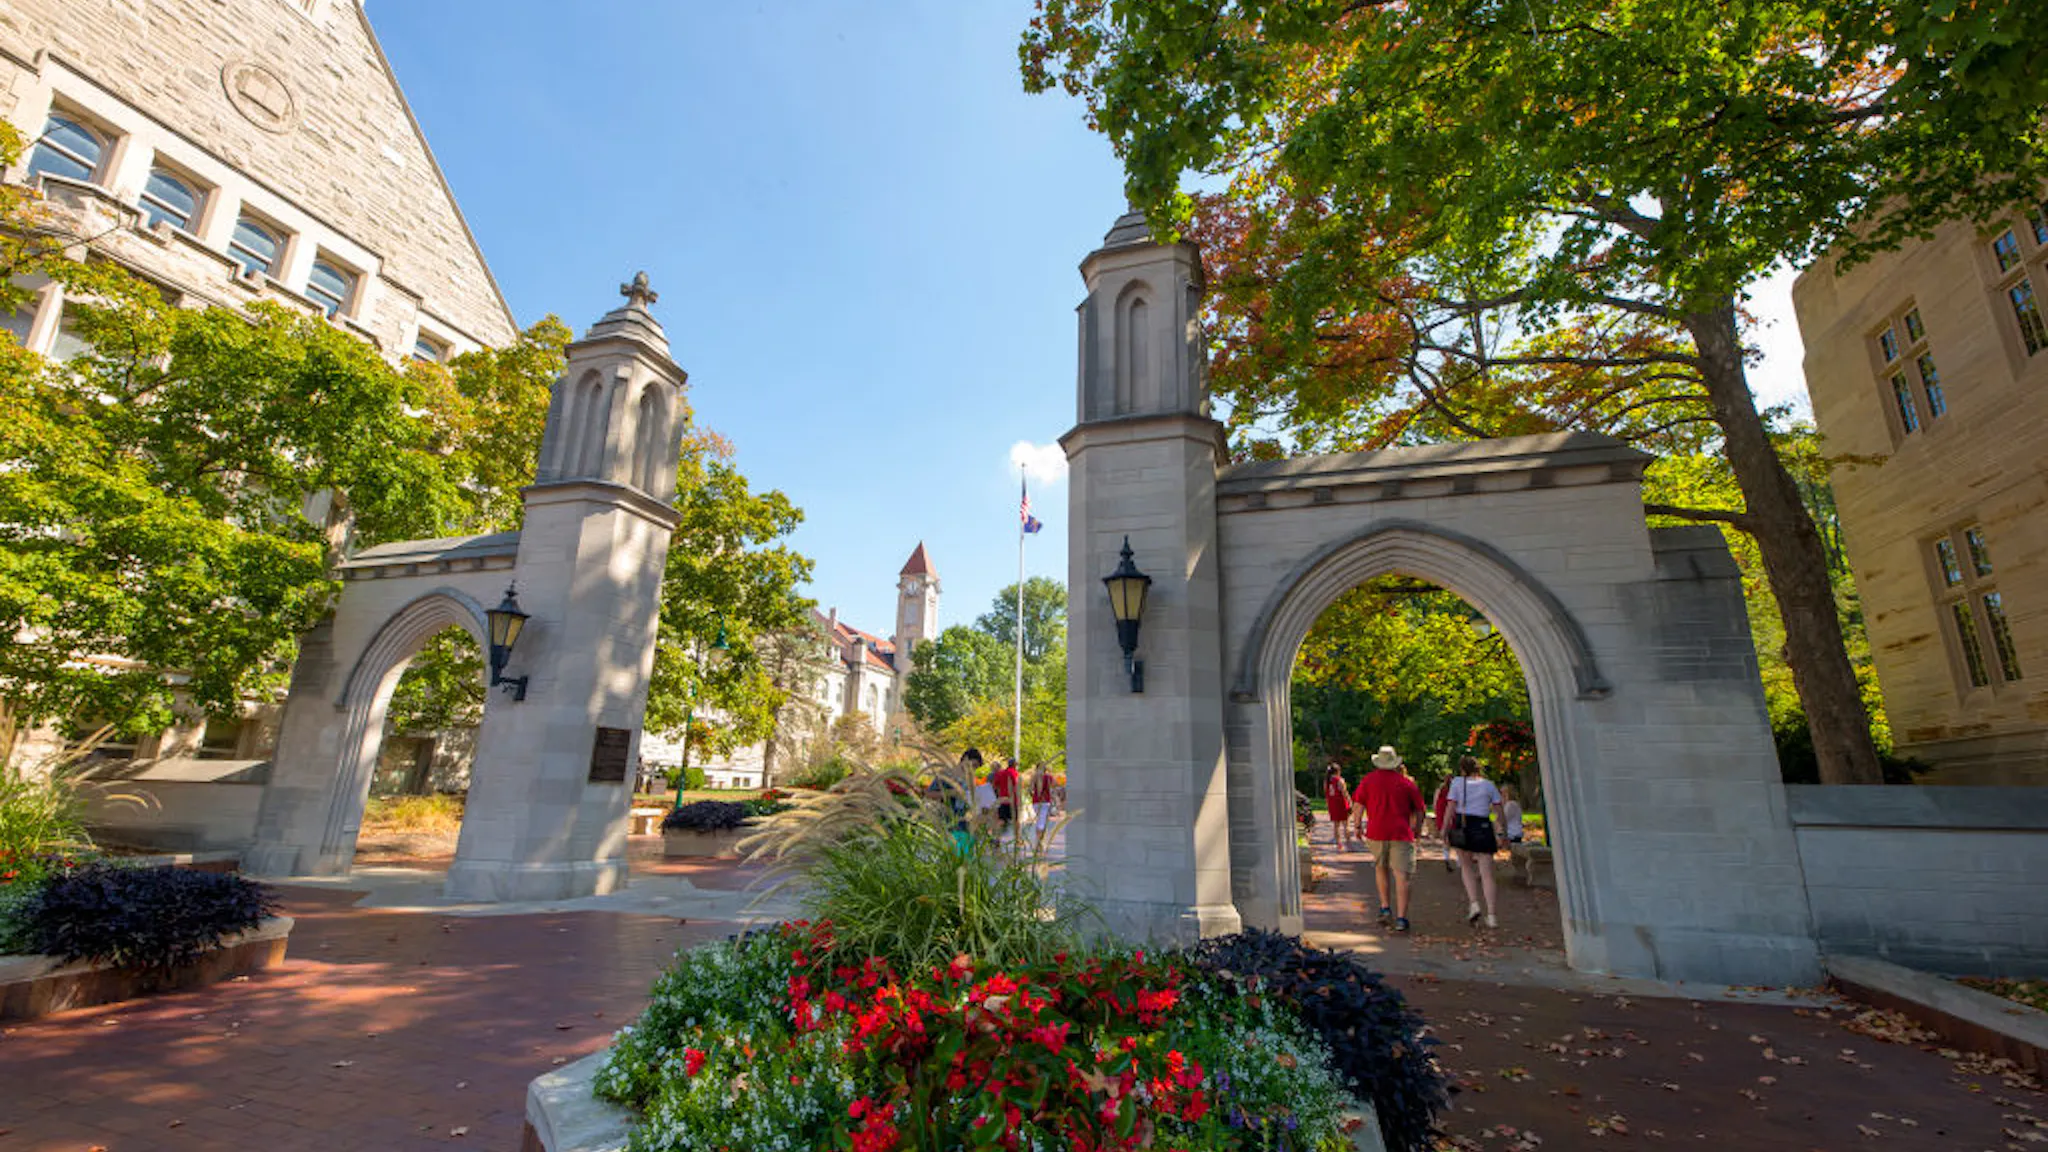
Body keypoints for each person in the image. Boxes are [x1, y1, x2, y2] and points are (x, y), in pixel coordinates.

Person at [1351, 745, 1425, 932]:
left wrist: (1357, 825)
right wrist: (1417, 828)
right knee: (1402, 876)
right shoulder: (1406, 783)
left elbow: (1358, 804)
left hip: (1376, 832)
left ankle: (1385, 907)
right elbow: (1420, 809)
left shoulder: (1368, 781)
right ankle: (1401, 918)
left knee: (1381, 869)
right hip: (1401, 833)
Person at [1447, 755, 1505, 928]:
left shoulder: (1457, 783)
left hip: (1464, 824)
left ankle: (1474, 904)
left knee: (1466, 866)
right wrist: (1503, 831)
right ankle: (1492, 914)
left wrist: (1444, 828)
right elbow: (1498, 809)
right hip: (1483, 825)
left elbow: (1451, 807)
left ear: (1462, 769)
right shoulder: (1488, 785)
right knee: (1487, 872)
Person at [1321, 762, 1353, 849]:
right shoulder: (1340, 780)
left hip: (1332, 804)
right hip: (1341, 803)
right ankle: (1348, 843)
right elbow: (1344, 793)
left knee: (1336, 825)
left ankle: (1339, 844)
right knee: (1346, 824)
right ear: (1337, 771)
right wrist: (1350, 802)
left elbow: (1326, 793)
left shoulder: (1326, 781)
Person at [1029, 761, 1059, 851]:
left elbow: (1030, 790)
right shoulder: (1048, 777)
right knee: (1041, 823)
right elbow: (1055, 785)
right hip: (1045, 802)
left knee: (1039, 821)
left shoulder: (1033, 777)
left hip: (1036, 802)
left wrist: (1034, 795)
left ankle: (1039, 842)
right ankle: (1039, 843)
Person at [990, 757, 1021, 844]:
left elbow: (994, 786)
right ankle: (1017, 839)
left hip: (1002, 800)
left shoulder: (1001, 773)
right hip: (1012, 800)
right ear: (1014, 765)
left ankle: (997, 838)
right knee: (1016, 821)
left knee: (1001, 820)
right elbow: (1016, 785)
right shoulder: (1014, 772)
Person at [1431, 777, 1457, 871]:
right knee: (1456, 837)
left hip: (1441, 814)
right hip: (1452, 814)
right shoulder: (1454, 790)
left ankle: (1446, 857)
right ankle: (1458, 860)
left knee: (1445, 839)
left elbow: (1435, 803)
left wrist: (1436, 813)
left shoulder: (1440, 789)